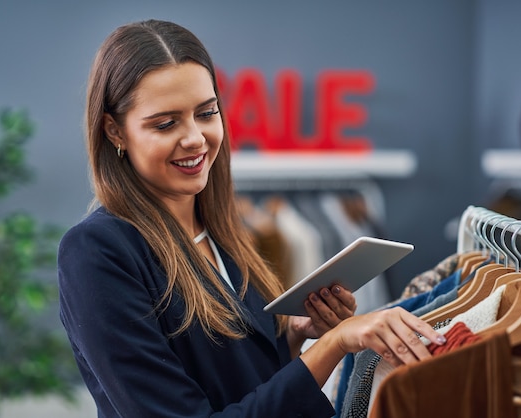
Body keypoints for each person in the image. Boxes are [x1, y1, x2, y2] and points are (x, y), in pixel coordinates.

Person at [57, 19, 446, 418]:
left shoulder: (221, 231)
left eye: (206, 113)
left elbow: (237, 383)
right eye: (166, 123)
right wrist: (333, 345)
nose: (195, 137)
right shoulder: (96, 252)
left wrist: (295, 336)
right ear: (114, 131)